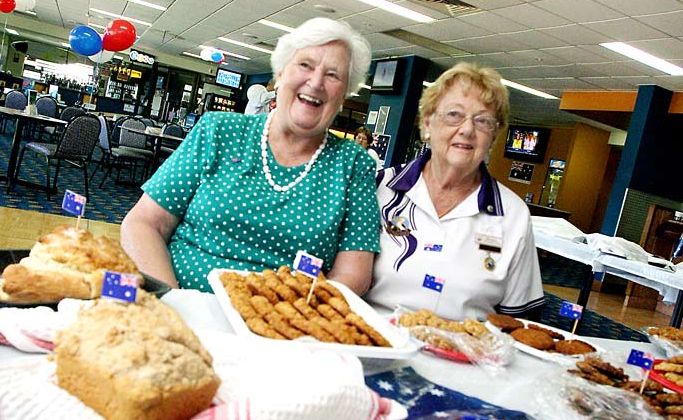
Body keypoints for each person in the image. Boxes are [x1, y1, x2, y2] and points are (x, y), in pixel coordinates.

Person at [120, 17, 379, 294]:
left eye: (333, 74)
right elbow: (144, 224)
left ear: (345, 94)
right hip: (181, 306)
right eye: (305, 65)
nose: (316, 82)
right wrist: (170, 302)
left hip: (281, 328)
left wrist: (295, 323)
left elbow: (354, 273)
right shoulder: (217, 131)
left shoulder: (354, 165)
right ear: (280, 75)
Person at [365, 62, 545, 320]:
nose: (468, 129)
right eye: (454, 115)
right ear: (427, 123)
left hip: (465, 355)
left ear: (493, 136)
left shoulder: (513, 215)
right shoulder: (378, 188)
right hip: (372, 345)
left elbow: (519, 320)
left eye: (483, 121)